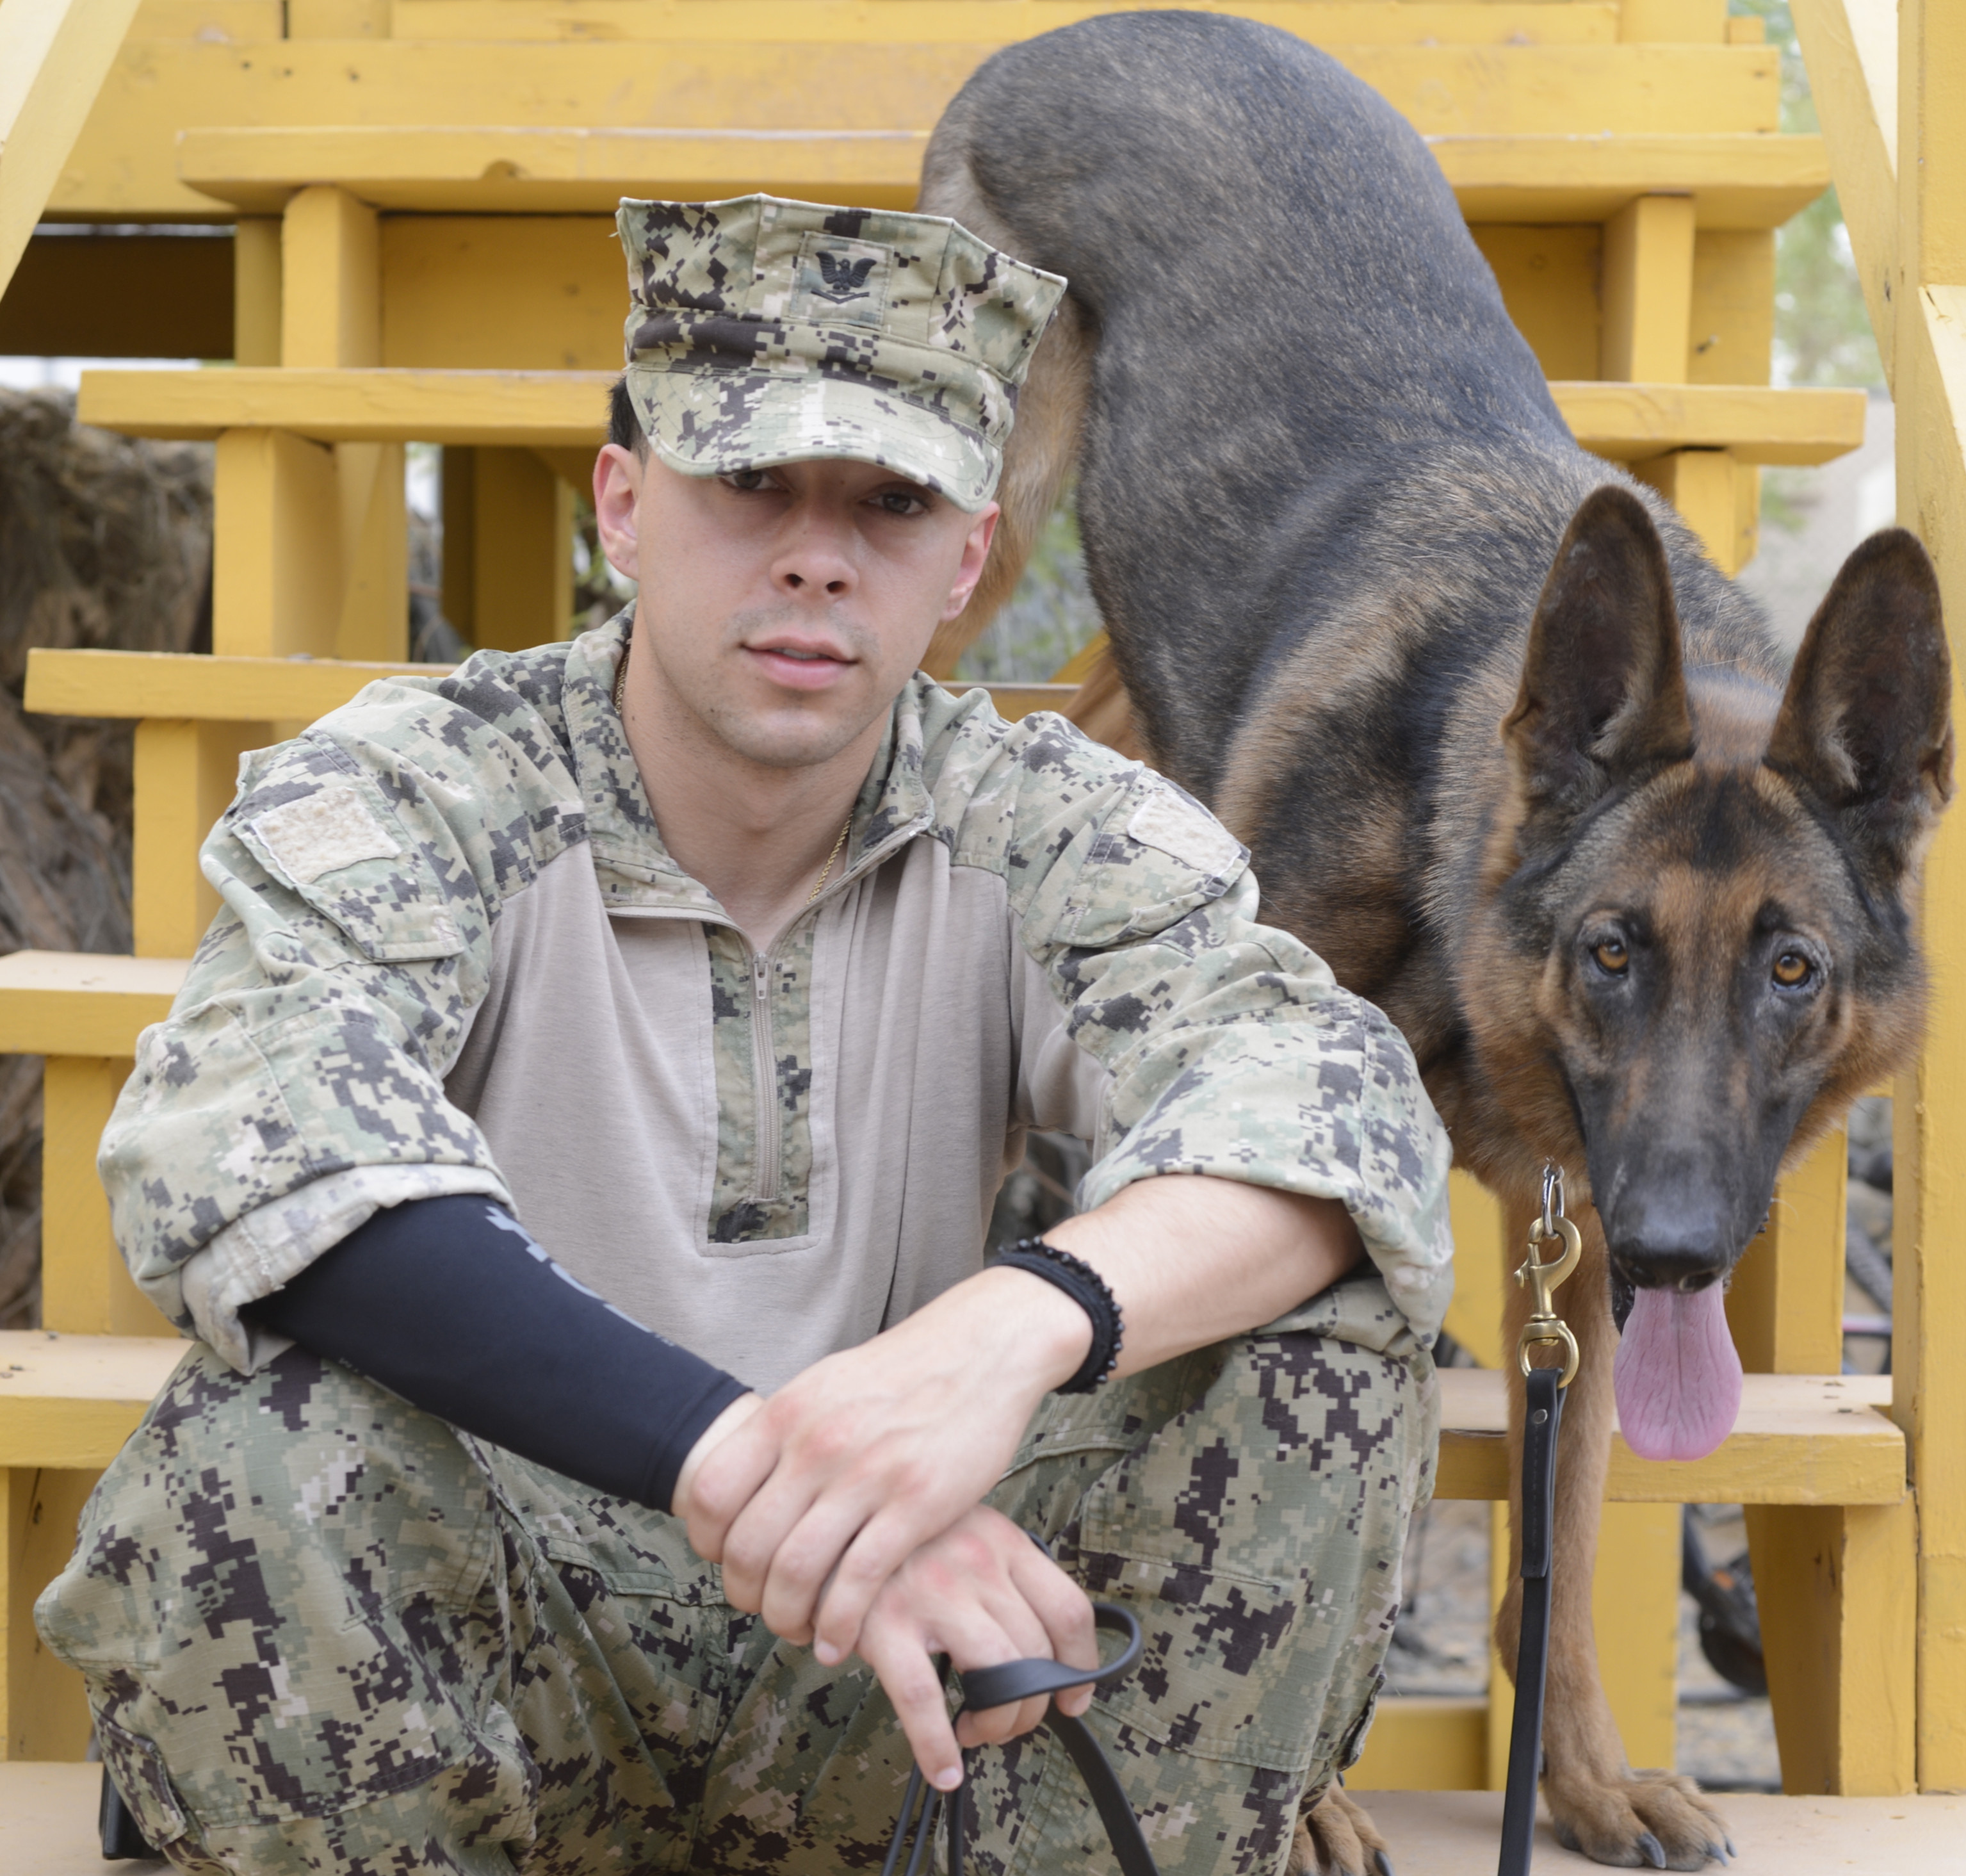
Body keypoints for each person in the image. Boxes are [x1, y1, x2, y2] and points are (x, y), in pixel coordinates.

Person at [37, 195, 1453, 1876]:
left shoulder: (1044, 824)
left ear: (967, 558)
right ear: (624, 505)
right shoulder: (432, 780)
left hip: (892, 1667)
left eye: (888, 503)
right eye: (751, 485)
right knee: (259, 1438)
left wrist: (1009, 1331)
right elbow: (260, 1150)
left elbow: (1338, 1115)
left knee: (1319, 1361)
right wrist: (739, 1458)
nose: (815, 555)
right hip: (511, 1622)